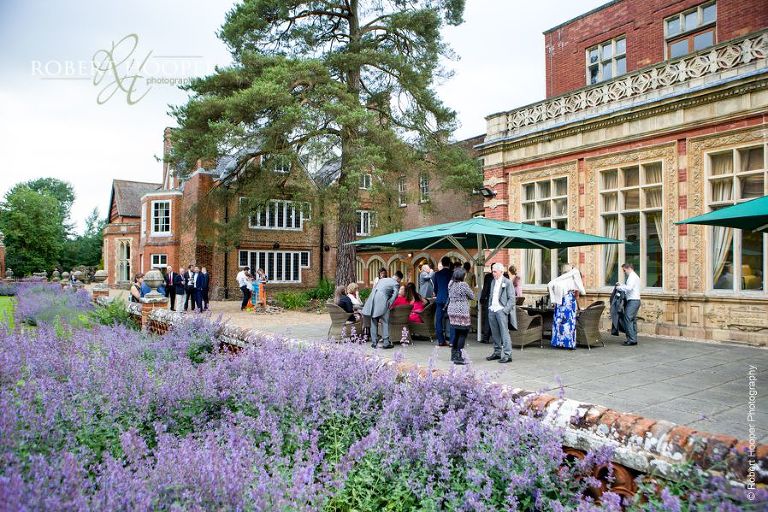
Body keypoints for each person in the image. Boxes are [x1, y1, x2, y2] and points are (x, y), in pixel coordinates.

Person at [485, 263, 517, 364]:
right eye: (492, 271)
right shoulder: (493, 282)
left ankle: (508, 355)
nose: (493, 273)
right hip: (492, 310)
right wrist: (490, 307)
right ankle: (497, 352)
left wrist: (505, 311)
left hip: (501, 310)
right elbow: (491, 295)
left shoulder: (507, 282)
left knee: (504, 333)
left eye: (495, 271)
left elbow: (512, 299)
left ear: (501, 272)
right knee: (495, 333)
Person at [548, 265, 585, 350]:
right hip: (569, 300)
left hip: (560, 301)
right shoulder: (572, 279)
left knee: (559, 322)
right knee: (569, 322)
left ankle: (558, 342)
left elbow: (550, 286)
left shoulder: (558, 280)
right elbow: (580, 291)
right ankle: (568, 343)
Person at [362, 270, 402, 349]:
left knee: (373, 320)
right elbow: (395, 294)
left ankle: (374, 342)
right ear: (399, 279)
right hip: (383, 301)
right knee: (385, 321)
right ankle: (386, 343)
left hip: (372, 300)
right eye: (400, 280)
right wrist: (390, 303)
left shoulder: (382, 280)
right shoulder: (396, 283)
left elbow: (375, 289)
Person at [447, 268, 475, 365]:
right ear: (462, 276)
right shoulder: (463, 285)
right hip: (461, 311)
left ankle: (453, 355)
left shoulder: (450, 284)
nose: (465, 276)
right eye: (464, 274)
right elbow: (472, 296)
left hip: (452, 310)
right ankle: (459, 356)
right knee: (463, 333)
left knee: (457, 333)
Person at [616, 262, 641, 346]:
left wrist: (619, 287)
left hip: (633, 301)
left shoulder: (632, 276)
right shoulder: (634, 276)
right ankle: (633, 338)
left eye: (624, 270)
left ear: (628, 268)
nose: (624, 272)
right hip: (635, 300)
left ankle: (631, 339)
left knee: (627, 318)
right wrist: (622, 285)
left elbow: (629, 288)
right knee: (632, 320)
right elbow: (629, 287)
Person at [433, 256, 453, 347]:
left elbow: (435, 288)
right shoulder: (452, 273)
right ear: (449, 264)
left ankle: (441, 340)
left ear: (442, 264)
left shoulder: (437, 274)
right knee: (452, 320)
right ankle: (452, 341)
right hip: (450, 299)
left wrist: (438, 294)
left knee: (438, 320)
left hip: (439, 299)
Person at [478, 271, 494, 343]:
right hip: (497, 301)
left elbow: (485, 288)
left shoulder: (488, 276)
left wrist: (482, 298)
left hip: (489, 300)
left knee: (487, 318)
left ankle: (486, 338)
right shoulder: (502, 276)